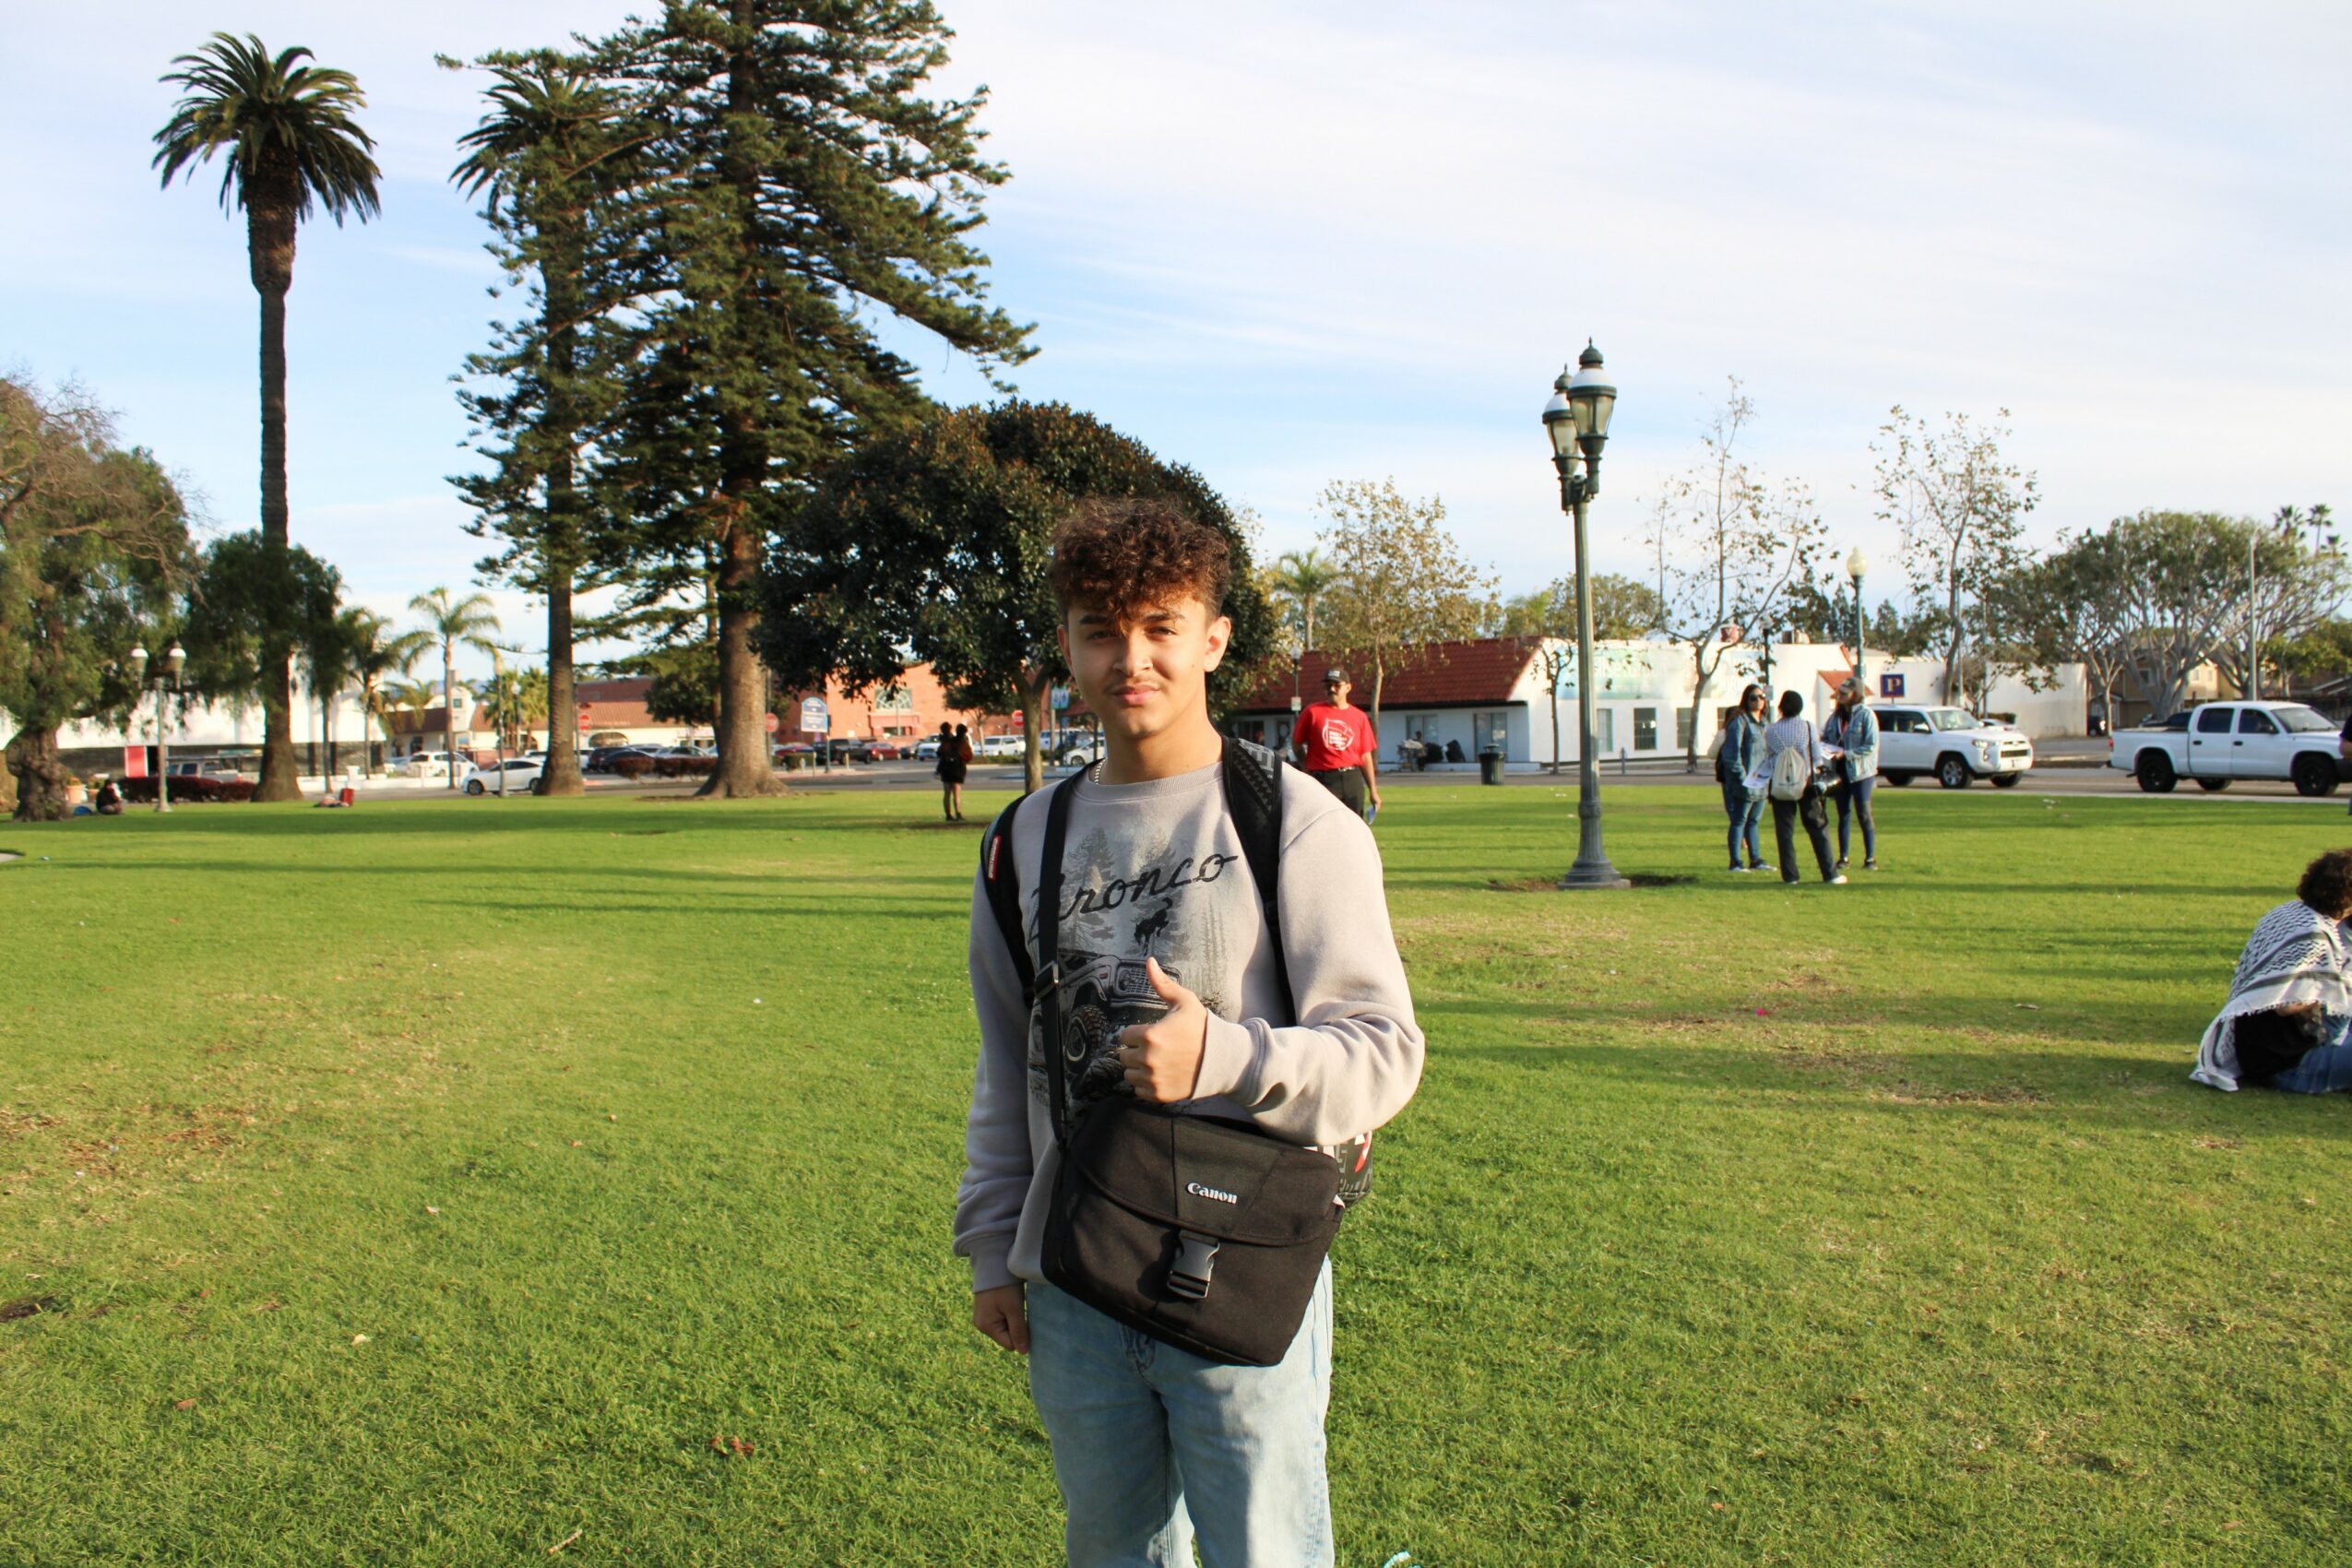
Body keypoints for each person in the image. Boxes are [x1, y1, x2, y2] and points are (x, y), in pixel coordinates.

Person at [956, 496, 1424, 1566]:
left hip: (1240, 1265)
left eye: (1161, 626)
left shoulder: (1298, 822)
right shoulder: (1022, 839)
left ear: (1214, 638)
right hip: (1076, 1278)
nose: (1133, 658)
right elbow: (1008, 1060)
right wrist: (992, 1245)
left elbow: (1384, 1050)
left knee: (1267, 1548)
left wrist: (1224, 1054)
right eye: (1102, 630)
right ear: (1068, 644)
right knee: (1113, 1547)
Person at [2194, 849, 2352, 1093]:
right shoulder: (2315, 937)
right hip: (2289, 1065)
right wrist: (2332, 990)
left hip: (2257, 1048)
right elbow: (2286, 1005)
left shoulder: (2288, 912)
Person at [1762, 690, 1843, 886]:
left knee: (1784, 831)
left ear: (1781, 707)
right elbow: (1816, 756)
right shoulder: (1807, 727)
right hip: (1805, 781)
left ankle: (1790, 876)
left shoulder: (1771, 730)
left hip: (1780, 783)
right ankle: (1830, 873)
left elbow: (1769, 756)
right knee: (1818, 827)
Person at [1289, 665, 1382, 820]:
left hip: (1352, 777)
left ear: (1348, 687)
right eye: (1328, 686)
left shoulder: (1359, 717)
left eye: (1337, 685)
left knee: (1354, 825)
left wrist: (1373, 790)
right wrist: (1306, 768)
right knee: (1326, 824)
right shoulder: (1312, 712)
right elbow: (1296, 744)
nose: (1332, 689)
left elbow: (1365, 756)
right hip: (1324, 778)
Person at [1823, 678, 1880, 871]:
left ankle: (1870, 858)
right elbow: (1827, 737)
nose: (1840, 696)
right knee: (1843, 814)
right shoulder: (1835, 717)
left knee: (1863, 813)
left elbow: (1871, 745)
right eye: (1839, 692)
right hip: (1840, 771)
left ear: (1856, 695)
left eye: (1845, 693)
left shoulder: (1866, 715)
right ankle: (1843, 857)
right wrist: (1825, 748)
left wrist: (1847, 754)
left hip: (1861, 772)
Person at [1715, 683, 1770, 873]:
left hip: (1761, 781)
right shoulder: (1739, 722)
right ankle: (1735, 862)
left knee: (1754, 820)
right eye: (1754, 698)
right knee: (1739, 819)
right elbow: (1731, 754)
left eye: (1762, 697)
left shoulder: (1764, 723)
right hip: (1745, 781)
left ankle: (1756, 859)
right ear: (1746, 700)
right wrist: (1743, 777)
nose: (1759, 701)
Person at [940, 722, 972, 822]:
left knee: (947, 793)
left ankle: (948, 815)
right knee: (957, 793)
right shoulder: (963, 743)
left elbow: (941, 753)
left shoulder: (946, 742)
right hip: (957, 769)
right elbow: (969, 756)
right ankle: (958, 814)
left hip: (946, 769)